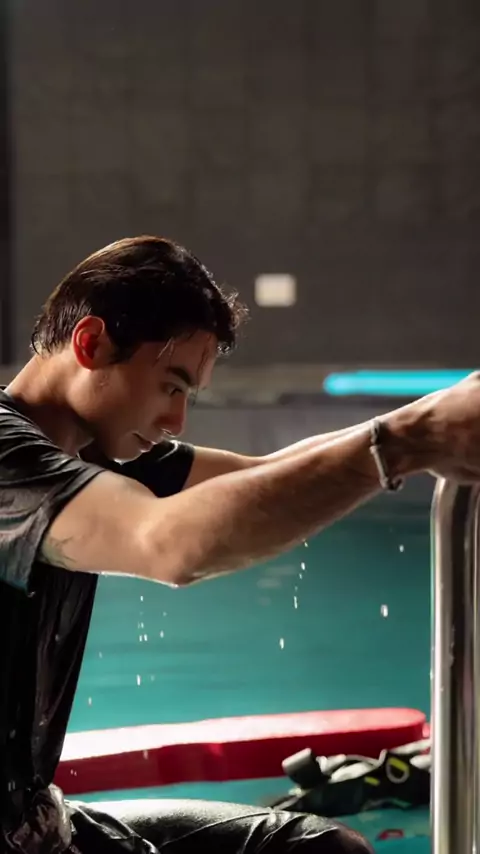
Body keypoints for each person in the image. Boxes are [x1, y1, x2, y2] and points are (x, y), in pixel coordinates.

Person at [0, 235, 478, 854]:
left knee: (321, 850)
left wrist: (441, 416)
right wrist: (410, 439)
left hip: (38, 824)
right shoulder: (9, 458)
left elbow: (266, 475)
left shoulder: (87, 449)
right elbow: (169, 544)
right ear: (91, 344)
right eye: (171, 386)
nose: (176, 422)